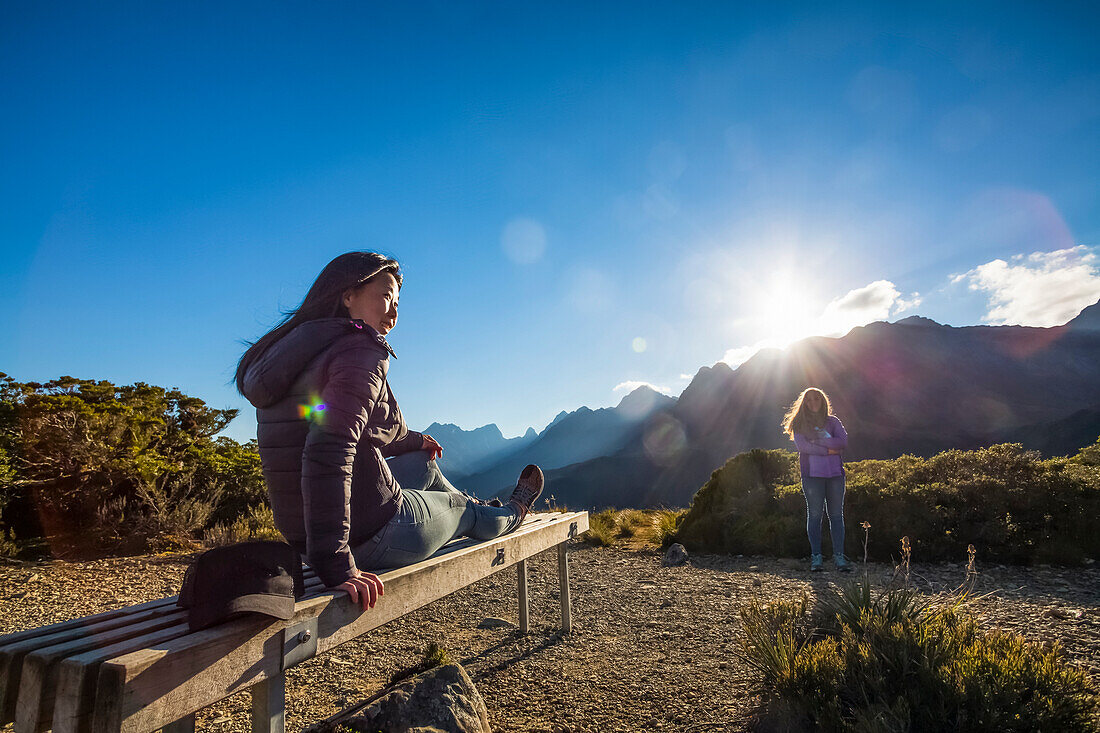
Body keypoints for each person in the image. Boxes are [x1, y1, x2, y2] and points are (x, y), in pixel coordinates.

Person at [235, 251, 544, 610]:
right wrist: (337, 563)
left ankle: (478, 507)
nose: (394, 314)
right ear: (347, 294)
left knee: (423, 462)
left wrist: (416, 440)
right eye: (385, 296)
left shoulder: (294, 352)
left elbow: (361, 423)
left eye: (397, 302)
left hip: (305, 532)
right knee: (462, 510)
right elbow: (329, 449)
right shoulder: (358, 348)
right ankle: (511, 512)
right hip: (367, 533)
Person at [781, 387, 851, 572]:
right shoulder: (799, 424)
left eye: (817, 399)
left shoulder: (833, 421)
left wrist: (818, 442)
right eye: (809, 400)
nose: (813, 402)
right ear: (804, 403)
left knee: (836, 516)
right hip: (812, 476)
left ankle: (839, 557)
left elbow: (842, 442)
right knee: (815, 516)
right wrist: (829, 449)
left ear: (823, 401)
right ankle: (816, 557)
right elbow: (803, 447)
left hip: (836, 475)